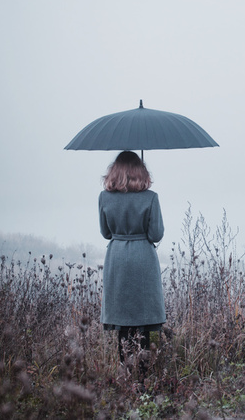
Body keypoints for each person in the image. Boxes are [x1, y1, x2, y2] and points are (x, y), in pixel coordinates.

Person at [99, 151, 165, 375]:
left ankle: (125, 375)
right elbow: (156, 234)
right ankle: (143, 380)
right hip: (143, 260)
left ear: (114, 171)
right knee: (143, 321)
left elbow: (105, 232)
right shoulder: (151, 197)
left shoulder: (104, 197)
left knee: (123, 324)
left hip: (117, 259)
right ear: (140, 172)